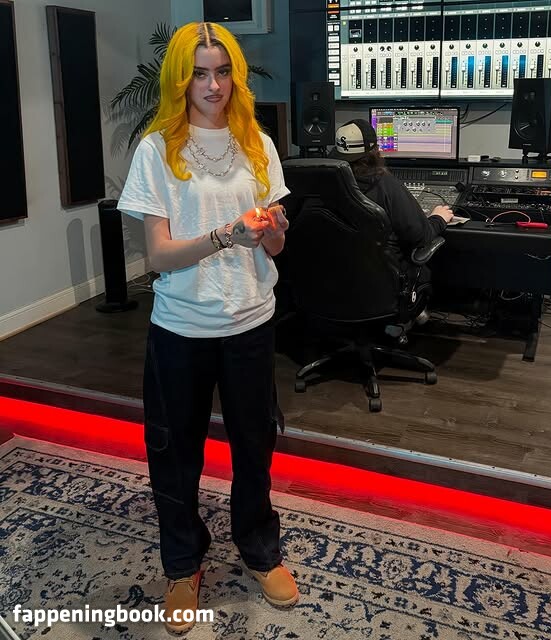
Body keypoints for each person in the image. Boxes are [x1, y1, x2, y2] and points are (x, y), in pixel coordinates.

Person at [117, 21, 298, 635]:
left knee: (254, 445)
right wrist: (225, 235)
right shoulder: (156, 151)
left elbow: (274, 245)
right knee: (174, 454)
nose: (212, 85)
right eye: (199, 73)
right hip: (180, 327)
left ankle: (259, 548)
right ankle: (181, 564)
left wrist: (271, 232)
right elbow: (158, 255)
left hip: (250, 321)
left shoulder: (258, 145)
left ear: (235, 76)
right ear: (180, 79)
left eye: (222, 71)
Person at [328, 119, 453, 291]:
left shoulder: (323, 186)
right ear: (375, 152)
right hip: (382, 287)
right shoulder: (385, 185)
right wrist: (438, 219)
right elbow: (420, 236)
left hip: (331, 286)